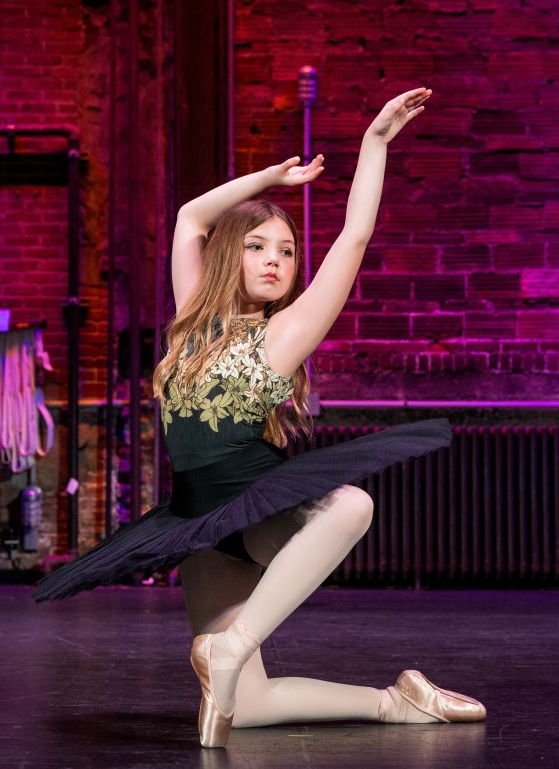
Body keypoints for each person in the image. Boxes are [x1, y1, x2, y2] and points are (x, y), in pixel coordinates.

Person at [34, 88, 485, 747]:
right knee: (246, 706)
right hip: (198, 522)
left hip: (256, 499)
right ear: (230, 256)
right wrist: (269, 180)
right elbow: (191, 217)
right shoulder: (192, 318)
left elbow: (354, 238)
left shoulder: (287, 333)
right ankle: (398, 701)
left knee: (351, 505)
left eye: (287, 250)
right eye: (258, 246)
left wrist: (375, 143)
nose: (275, 258)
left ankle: (232, 644)